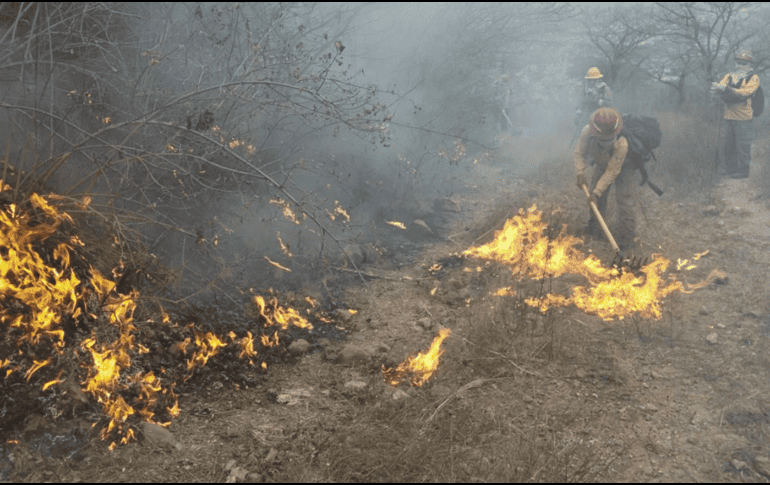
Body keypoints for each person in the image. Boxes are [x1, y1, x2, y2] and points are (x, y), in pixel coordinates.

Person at [574, 107, 636, 251]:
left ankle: (626, 236)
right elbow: (578, 153)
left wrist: (597, 192)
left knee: (623, 198)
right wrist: (580, 173)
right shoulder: (587, 131)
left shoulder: (622, 142)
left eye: (608, 139)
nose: (605, 141)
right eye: (602, 139)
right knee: (594, 196)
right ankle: (595, 228)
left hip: (624, 165)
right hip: (602, 161)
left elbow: (612, 171)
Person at [711, 49, 760, 179]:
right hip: (728, 115)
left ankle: (743, 171)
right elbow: (720, 87)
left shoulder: (753, 77)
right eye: (738, 62)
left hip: (744, 117)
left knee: (743, 145)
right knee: (729, 144)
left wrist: (726, 88)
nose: (740, 65)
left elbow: (744, 93)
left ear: (750, 64)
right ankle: (731, 170)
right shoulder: (729, 76)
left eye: (744, 63)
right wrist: (716, 90)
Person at [572, 67, 613, 144]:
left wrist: (597, 101)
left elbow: (609, 103)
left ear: (596, 80)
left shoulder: (605, 89)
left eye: (590, 80)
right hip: (586, 115)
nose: (588, 82)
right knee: (579, 135)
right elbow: (580, 102)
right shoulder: (586, 90)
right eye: (588, 80)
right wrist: (578, 113)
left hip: (600, 116)